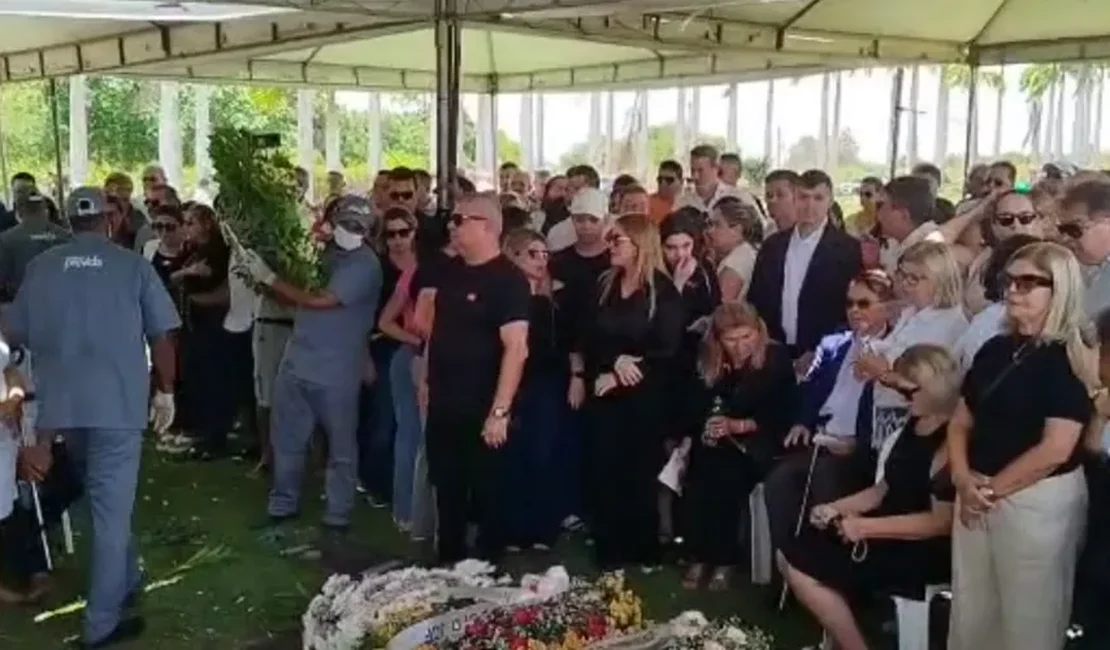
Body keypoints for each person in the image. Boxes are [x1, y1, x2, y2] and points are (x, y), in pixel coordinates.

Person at [5, 186, 179, 647]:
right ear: (110, 219)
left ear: (67, 219)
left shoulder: (41, 268)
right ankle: (100, 625)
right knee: (110, 512)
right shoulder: (133, 266)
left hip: (60, 409)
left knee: (100, 502)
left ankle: (126, 577)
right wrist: (167, 392)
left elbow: (14, 329)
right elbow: (162, 338)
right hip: (117, 406)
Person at [947, 242, 1097, 650]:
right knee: (971, 612)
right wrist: (962, 479)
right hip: (975, 489)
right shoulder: (995, 349)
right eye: (1009, 280)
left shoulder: (1068, 357)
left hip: (1036, 503)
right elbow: (961, 421)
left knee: (1030, 620)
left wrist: (991, 491)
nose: (1013, 290)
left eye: (1029, 282)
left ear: (1060, 289)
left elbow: (1055, 449)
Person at [782, 344, 958, 650]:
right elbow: (882, 490)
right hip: (883, 529)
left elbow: (941, 522)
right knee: (792, 551)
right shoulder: (914, 424)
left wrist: (866, 528)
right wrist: (835, 507)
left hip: (920, 547)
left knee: (802, 565)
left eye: (908, 390)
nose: (901, 396)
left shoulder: (950, 438)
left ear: (934, 387)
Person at [238, 195, 383, 533]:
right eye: (346, 224)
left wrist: (271, 279)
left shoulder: (365, 264)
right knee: (286, 439)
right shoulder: (321, 256)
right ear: (332, 222)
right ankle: (282, 504)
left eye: (357, 228)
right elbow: (297, 295)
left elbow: (322, 301)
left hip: (337, 370)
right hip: (298, 360)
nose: (351, 232)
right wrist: (263, 277)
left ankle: (337, 515)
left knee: (340, 447)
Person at [420, 194, 530, 563]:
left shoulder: (509, 280)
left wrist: (499, 411)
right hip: (443, 401)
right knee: (446, 487)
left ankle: (487, 568)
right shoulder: (448, 272)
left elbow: (516, 348)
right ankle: (447, 559)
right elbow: (433, 332)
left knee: (487, 492)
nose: (451, 226)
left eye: (458, 219)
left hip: (483, 405)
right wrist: (425, 383)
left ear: (486, 225)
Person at [579, 213, 684, 571]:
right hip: (605, 390)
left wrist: (627, 369)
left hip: (645, 396)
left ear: (639, 245)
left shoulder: (661, 292)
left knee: (638, 471)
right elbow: (591, 335)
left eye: (617, 240)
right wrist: (612, 361)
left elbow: (668, 348)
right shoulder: (605, 284)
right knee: (602, 467)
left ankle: (642, 546)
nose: (610, 246)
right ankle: (608, 545)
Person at [765, 270, 896, 552]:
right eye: (849, 303)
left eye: (863, 303)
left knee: (826, 480)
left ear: (887, 306)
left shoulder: (895, 350)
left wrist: (856, 443)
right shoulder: (834, 343)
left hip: (859, 448)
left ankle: (825, 570)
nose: (854, 311)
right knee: (779, 482)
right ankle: (787, 570)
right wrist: (802, 421)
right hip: (820, 438)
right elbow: (810, 390)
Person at [682, 302, 796, 591]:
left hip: (759, 439)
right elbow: (696, 402)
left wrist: (738, 426)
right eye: (731, 339)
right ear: (718, 339)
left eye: (746, 337)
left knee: (725, 474)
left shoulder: (775, 357)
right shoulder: (710, 360)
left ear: (758, 331)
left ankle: (724, 559)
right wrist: (708, 424)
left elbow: (782, 413)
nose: (740, 346)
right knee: (699, 470)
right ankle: (698, 553)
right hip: (718, 439)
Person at [747, 170, 862, 367]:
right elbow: (756, 298)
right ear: (794, 199)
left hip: (822, 354)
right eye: (803, 197)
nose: (810, 206)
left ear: (830, 200)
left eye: (818, 198)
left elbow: (847, 307)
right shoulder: (773, 245)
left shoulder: (847, 249)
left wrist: (820, 349)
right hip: (773, 349)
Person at [500, 229, 563, 551]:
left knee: (542, 454)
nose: (540, 261)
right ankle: (513, 528)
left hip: (546, 384)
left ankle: (542, 528)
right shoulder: (508, 297)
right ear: (513, 255)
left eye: (544, 254)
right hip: (515, 382)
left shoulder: (551, 300)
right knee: (514, 454)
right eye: (532, 254)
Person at [172, 204, 232, 459]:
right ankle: (201, 430)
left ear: (207, 223)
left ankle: (214, 436)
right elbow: (173, 276)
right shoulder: (193, 252)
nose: (187, 228)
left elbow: (225, 292)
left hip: (212, 324)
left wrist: (194, 298)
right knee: (196, 378)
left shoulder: (218, 251)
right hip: (194, 324)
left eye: (191, 223)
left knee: (212, 381)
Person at [0, 194, 71, 305]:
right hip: (61, 305)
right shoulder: (66, 236)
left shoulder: (6, 239)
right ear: (45, 210)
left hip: (22, 306)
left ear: (19, 212)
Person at [706, 197, 763, 301]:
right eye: (710, 224)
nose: (710, 231)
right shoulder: (745, 252)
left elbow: (720, 307)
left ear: (737, 230)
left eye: (717, 225)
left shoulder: (736, 262)